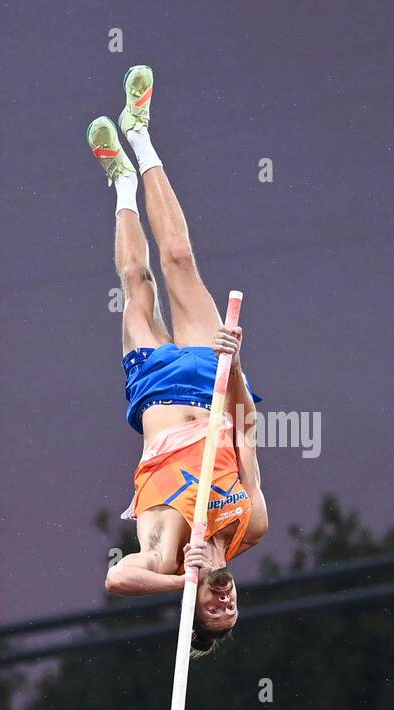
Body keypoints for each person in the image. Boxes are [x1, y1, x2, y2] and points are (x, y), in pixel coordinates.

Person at [87, 66, 268, 655]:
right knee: (180, 262)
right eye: (229, 607)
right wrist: (235, 365)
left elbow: (116, 578)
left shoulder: (165, 553)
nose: (223, 601)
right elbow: (246, 428)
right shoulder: (248, 525)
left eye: (211, 611)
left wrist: (180, 582)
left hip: (153, 392)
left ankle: (119, 183)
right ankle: (139, 138)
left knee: (136, 279)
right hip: (212, 378)